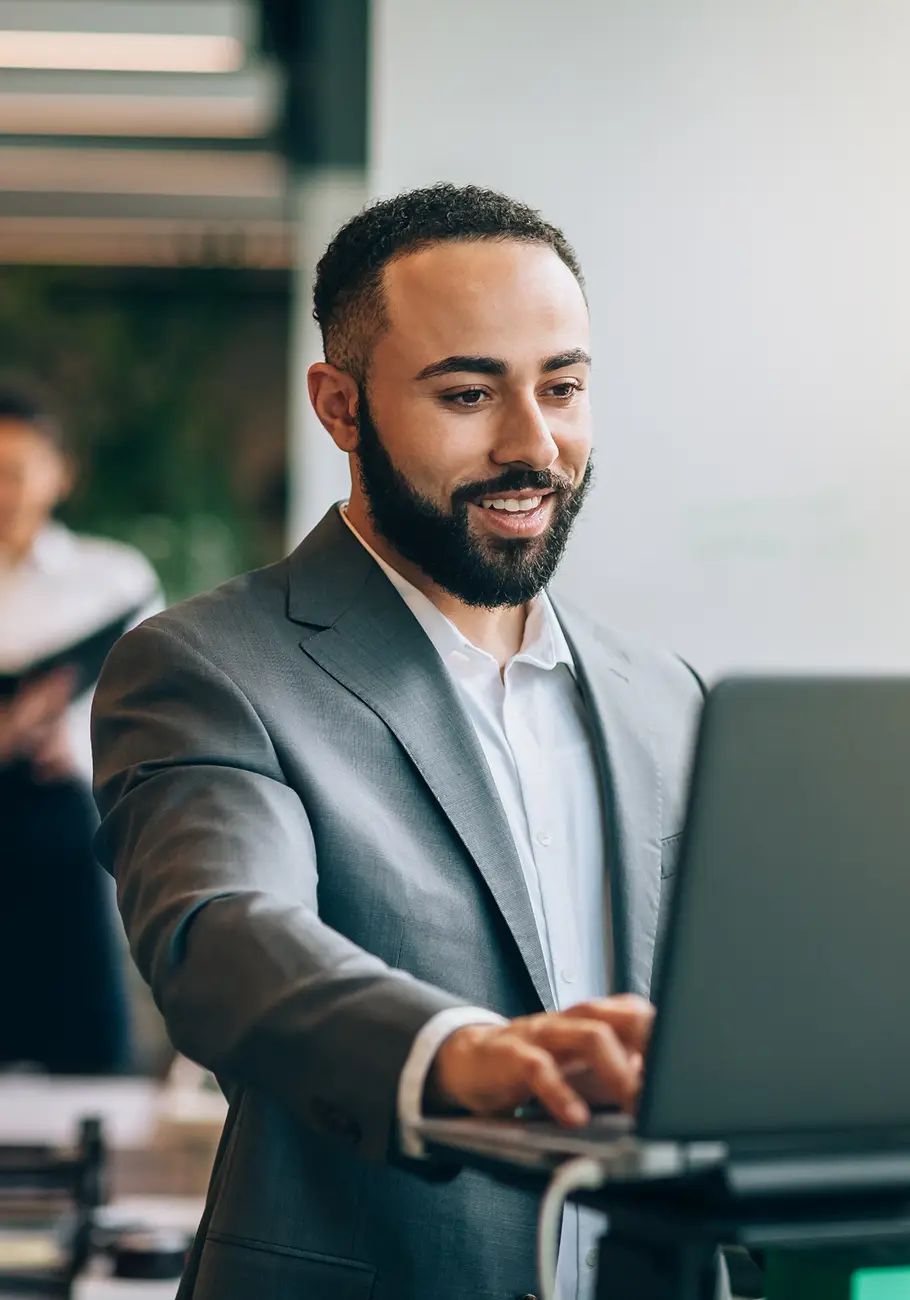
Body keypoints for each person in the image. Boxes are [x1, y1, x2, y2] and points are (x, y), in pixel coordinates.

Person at [92, 184, 704, 1300]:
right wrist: (459, 1056)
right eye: (468, 393)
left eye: (561, 387)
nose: (533, 444)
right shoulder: (207, 666)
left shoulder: (666, 698)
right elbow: (222, 935)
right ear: (339, 406)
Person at [0, 383, 158, 1073]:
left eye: (15, 470)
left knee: (79, 1032)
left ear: (59, 475)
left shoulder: (111, 580)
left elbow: (157, 711)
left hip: (62, 817)